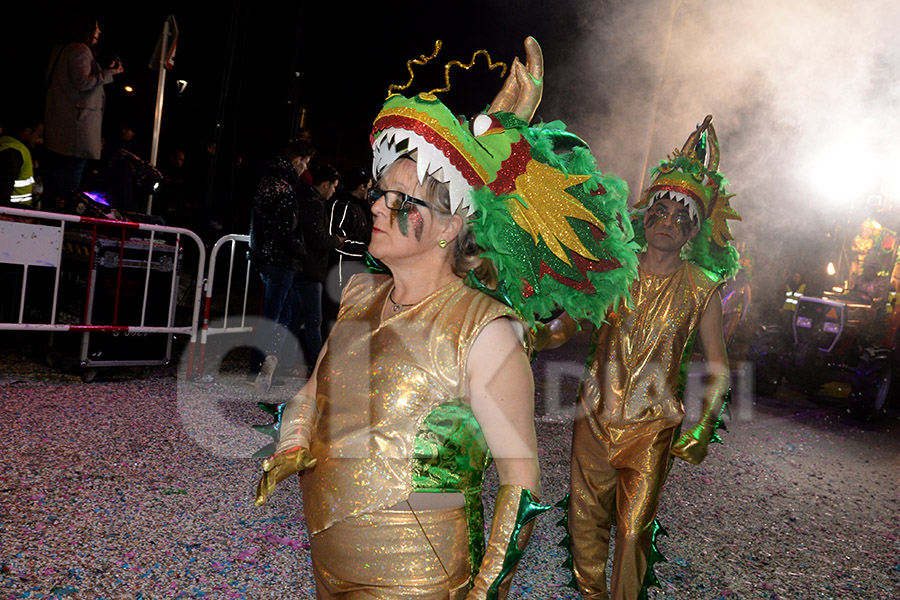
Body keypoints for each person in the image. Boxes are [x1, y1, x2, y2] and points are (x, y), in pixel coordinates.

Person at [253, 37, 637, 599]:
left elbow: (520, 484)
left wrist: (484, 589)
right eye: (381, 193)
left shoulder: (486, 330)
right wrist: (291, 446)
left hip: (422, 579)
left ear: (452, 225)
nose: (378, 207)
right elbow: (314, 392)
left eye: (402, 201)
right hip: (328, 564)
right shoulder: (359, 293)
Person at [543, 115, 741, 600]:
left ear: (694, 230)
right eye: (661, 212)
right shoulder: (617, 269)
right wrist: (527, 334)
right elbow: (567, 323)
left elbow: (717, 366)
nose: (668, 223)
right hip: (594, 418)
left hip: (652, 427)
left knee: (632, 531)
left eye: (681, 218)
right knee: (585, 525)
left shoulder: (702, 288)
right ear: (646, 214)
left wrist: (702, 427)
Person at [247, 139, 315, 390]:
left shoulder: (269, 179)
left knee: (275, 314)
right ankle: (260, 368)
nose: (306, 167)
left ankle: (262, 368)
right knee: (278, 316)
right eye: (306, 162)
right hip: (281, 259)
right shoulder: (285, 186)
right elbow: (286, 230)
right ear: (298, 159)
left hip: (266, 257)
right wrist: (304, 251)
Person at [42, 15, 123, 208]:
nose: (99, 32)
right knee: (72, 172)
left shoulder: (61, 49)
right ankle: (63, 213)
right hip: (77, 126)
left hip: (62, 123)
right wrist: (109, 73)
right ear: (86, 29)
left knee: (61, 171)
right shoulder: (80, 50)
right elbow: (83, 82)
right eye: (96, 27)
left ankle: (54, 210)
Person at [276, 163, 343, 381]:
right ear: (325, 185)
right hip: (310, 270)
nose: (333, 192)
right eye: (333, 187)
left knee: (295, 320)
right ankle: (317, 368)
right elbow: (318, 239)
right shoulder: (314, 204)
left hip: (300, 268)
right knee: (314, 320)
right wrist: (336, 241)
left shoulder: (303, 198)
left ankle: (286, 363)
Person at [324, 166, 373, 333]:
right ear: (361, 186)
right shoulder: (343, 205)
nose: (370, 190)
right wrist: (366, 248)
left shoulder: (361, 207)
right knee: (336, 309)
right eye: (368, 186)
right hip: (341, 269)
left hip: (355, 269)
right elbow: (339, 240)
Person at [0, 116, 43, 207]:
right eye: (38, 135)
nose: (40, 141)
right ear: (27, 131)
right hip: (13, 210)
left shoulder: (7, 145)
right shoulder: (14, 151)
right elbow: (4, 188)